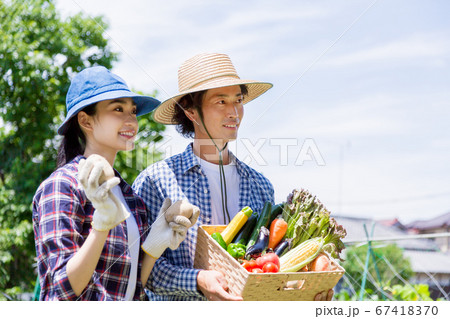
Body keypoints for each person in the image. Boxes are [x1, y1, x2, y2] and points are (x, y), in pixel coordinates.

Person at [32, 66, 199, 301]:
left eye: (132, 111)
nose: (131, 119)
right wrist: (100, 227)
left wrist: (154, 246)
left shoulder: (131, 198)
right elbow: (61, 288)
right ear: (85, 121)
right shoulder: (62, 187)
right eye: (118, 109)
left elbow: (131, 286)